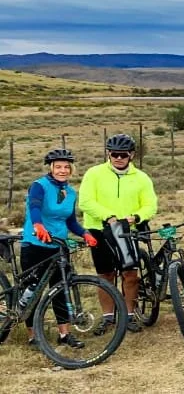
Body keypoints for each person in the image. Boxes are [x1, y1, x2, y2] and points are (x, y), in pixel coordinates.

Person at [78, 133, 158, 335]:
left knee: (130, 275)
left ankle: (129, 316)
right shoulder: (93, 174)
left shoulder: (141, 178)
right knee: (106, 275)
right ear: (108, 154)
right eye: (114, 154)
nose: (118, 158)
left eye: (123, 155)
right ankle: (108, 317)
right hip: (99, 230)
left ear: (131, 155)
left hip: (126, 231)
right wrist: (108, 216)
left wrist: (137, 217)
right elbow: (85, 202)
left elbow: (150, 205)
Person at [20, 149, 97, 348]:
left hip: (58, 246)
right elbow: (34, 206)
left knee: (61, 289)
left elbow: (70, 220)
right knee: (34, 290)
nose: (62, 170)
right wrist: (38, 225)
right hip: (36, 243)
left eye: (66, 167)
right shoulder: (39, 186)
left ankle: (64, 335)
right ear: (51, 168)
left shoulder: (70, 192)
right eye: (58, 167)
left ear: (71, 169)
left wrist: (85, 233)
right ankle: (32, 335)